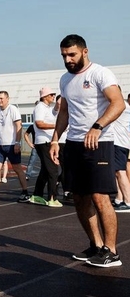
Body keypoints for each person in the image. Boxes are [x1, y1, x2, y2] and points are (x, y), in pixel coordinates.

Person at [50, 34, 123, 267]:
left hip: (99, 142)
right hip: (73, 143)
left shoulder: (100, 73)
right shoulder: (64, 79)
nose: (68, 59)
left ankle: (112, 251)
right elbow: (64, 113)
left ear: (85, 51)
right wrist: (54, 139)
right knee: (80, 198)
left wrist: (98, 127)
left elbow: (118, 103)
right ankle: (96, 245)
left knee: (100, 198)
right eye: (64, 55)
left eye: (72, 54)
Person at [32, 87, 61, 207]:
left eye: (54, 95)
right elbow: (39, 124)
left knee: (45, 170)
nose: (53, 96)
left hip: (47, 141)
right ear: (44, 96)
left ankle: (37, 195)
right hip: (43, 142)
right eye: (51, 95)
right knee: (53, 170)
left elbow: (56, 111)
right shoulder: (40, 107)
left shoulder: (47, 108)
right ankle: (52, 198)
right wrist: (55, 126)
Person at [112, 86, 130, 213]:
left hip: (119, 143)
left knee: (120, 171)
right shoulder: (123, 104)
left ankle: (128, 201)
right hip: (120, 143)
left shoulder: (120, 104)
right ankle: (120, 198)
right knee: (116, 172)